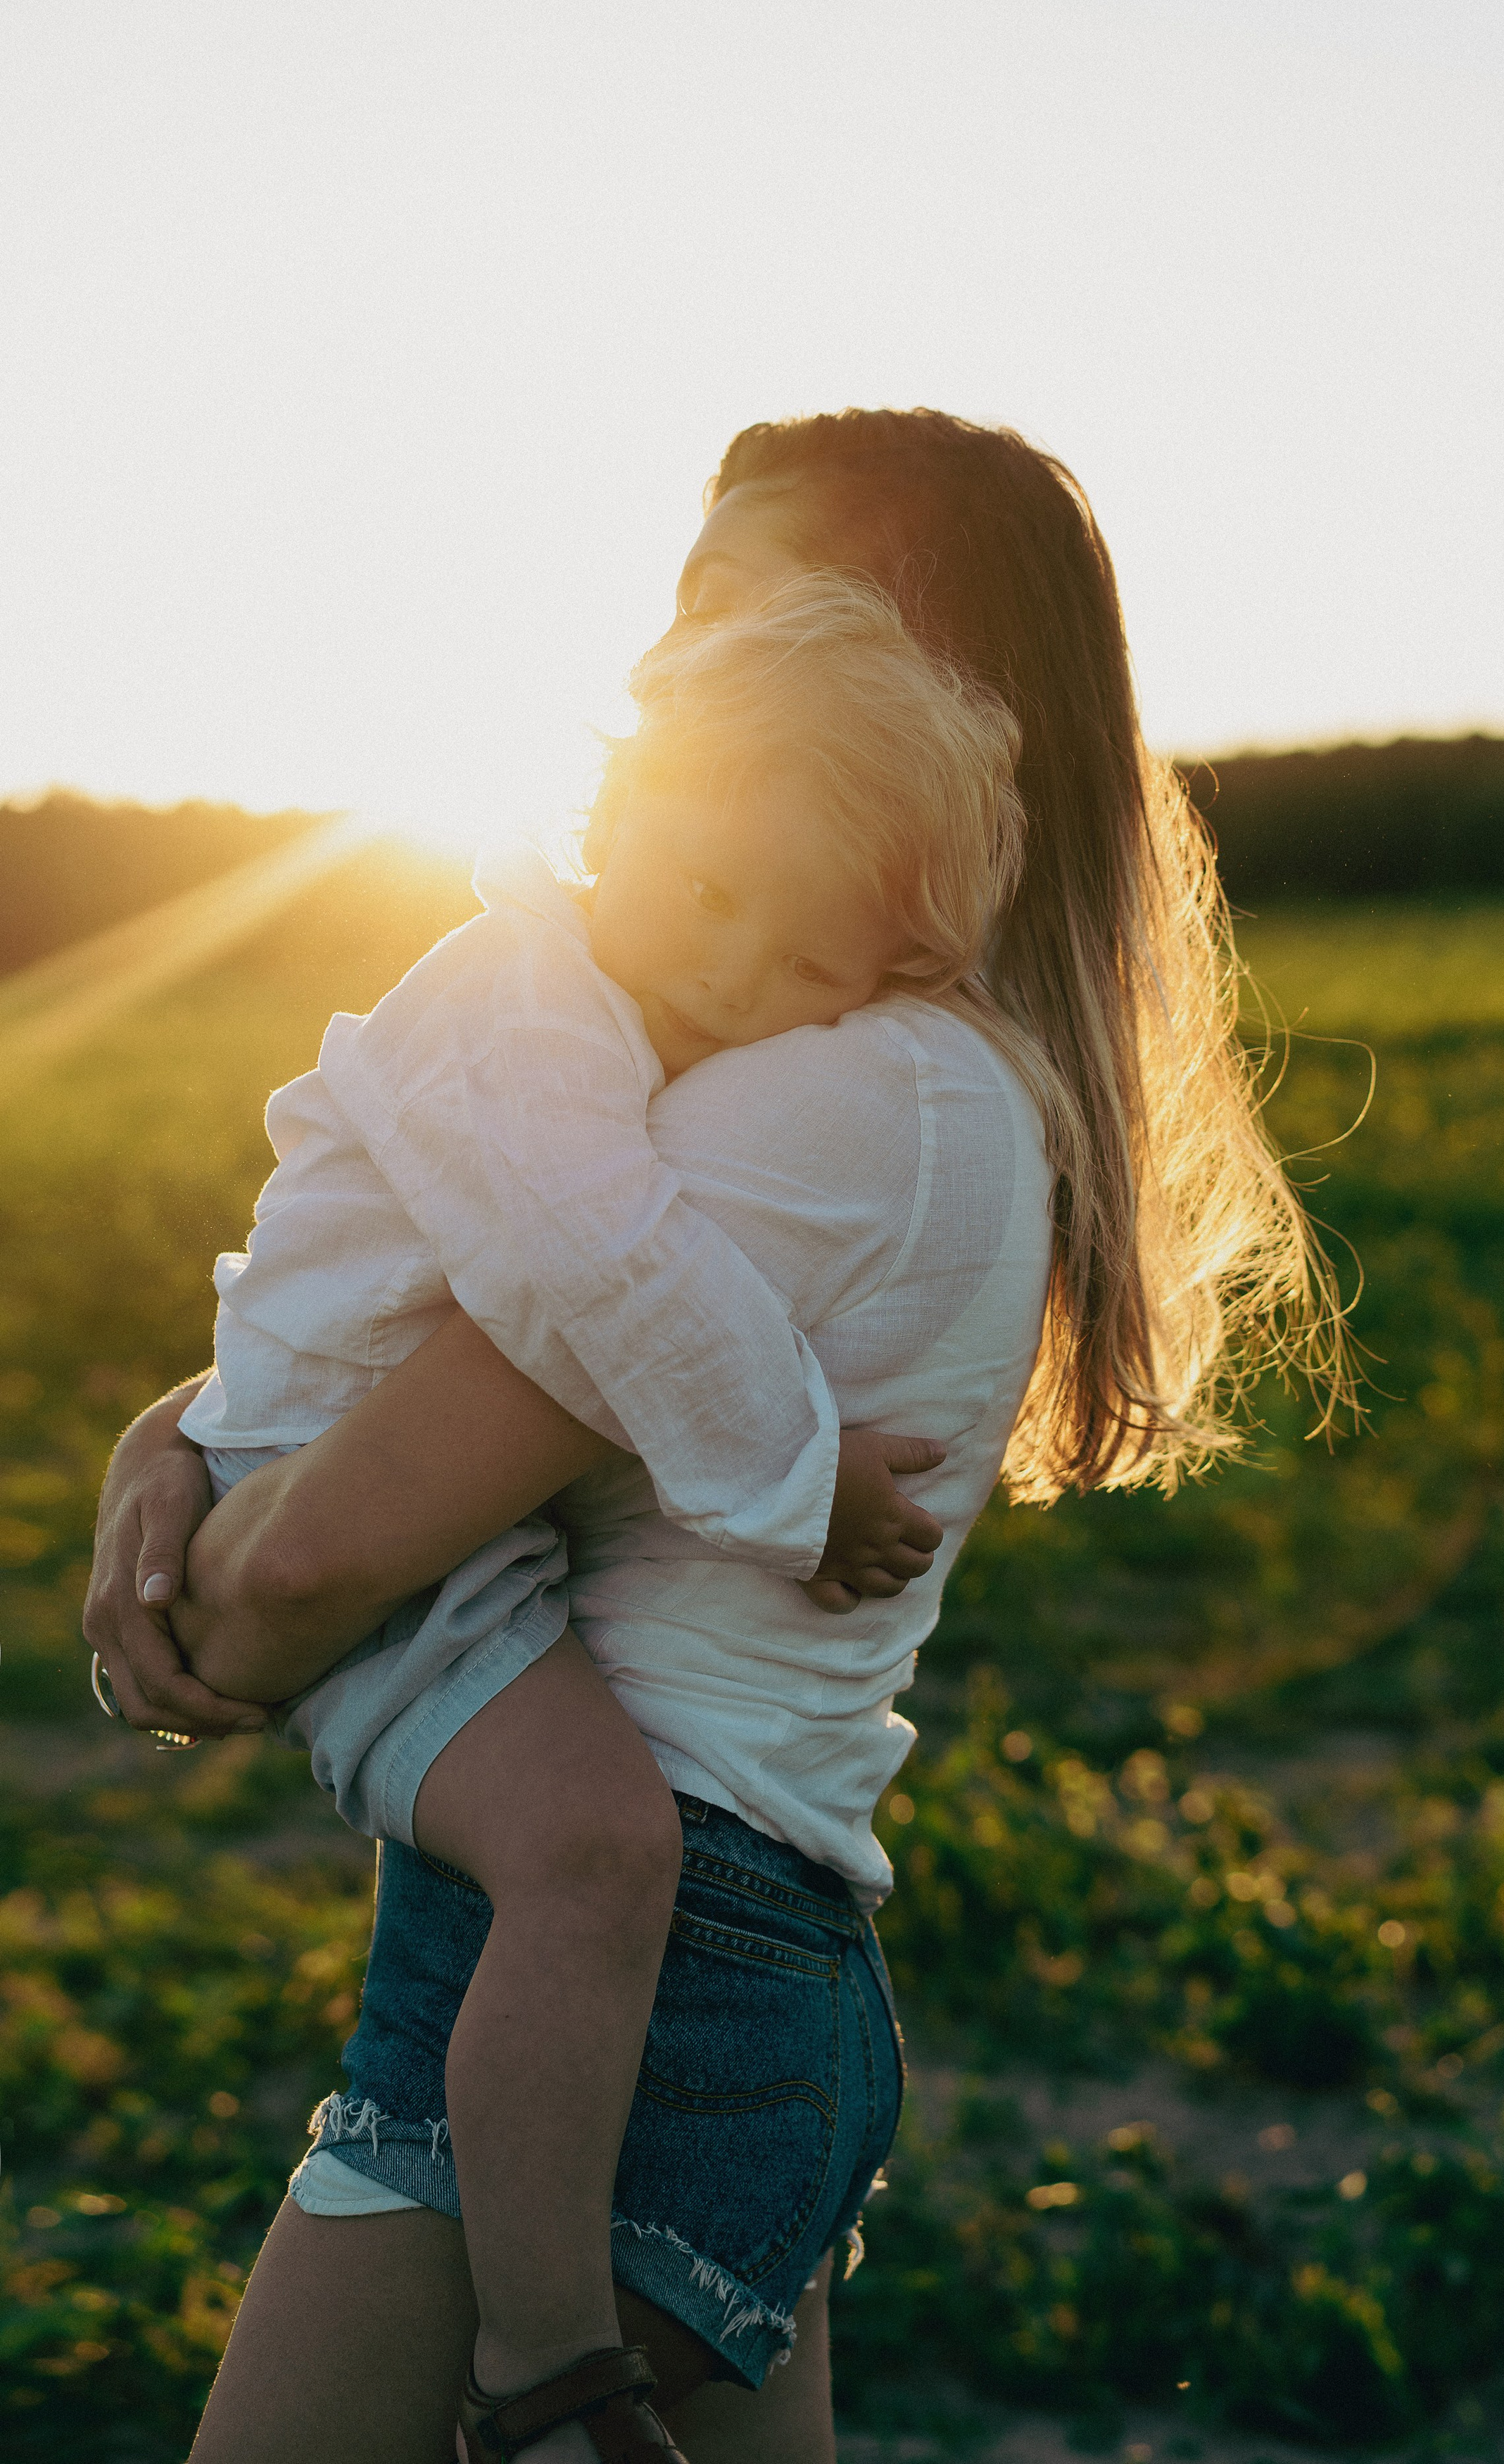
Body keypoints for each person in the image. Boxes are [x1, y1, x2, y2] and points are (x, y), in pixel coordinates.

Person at [86, 408, 1347, 2464]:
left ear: (924, 688)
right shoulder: (875, 1064)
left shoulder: (834, 1091)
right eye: (691, 604)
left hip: (636, 1961)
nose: (695, 663)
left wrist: (203, 1575)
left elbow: (327, 1548)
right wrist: (185, 1431)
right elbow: (437, 1298)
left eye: (760, 604)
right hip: (730, 1959)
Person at [146, 576, 1025, 2461]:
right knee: (593, 1848)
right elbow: (602, 1278)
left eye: (806, 965)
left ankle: (548, 2364)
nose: (732, 981)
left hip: (432, 1545)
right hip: (387, 1551)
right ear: (609, 820)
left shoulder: (766, 1059)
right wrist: (799, 1481)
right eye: (705, 898)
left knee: (603, 1852)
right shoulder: (529, 1016)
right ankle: (546, 2363)